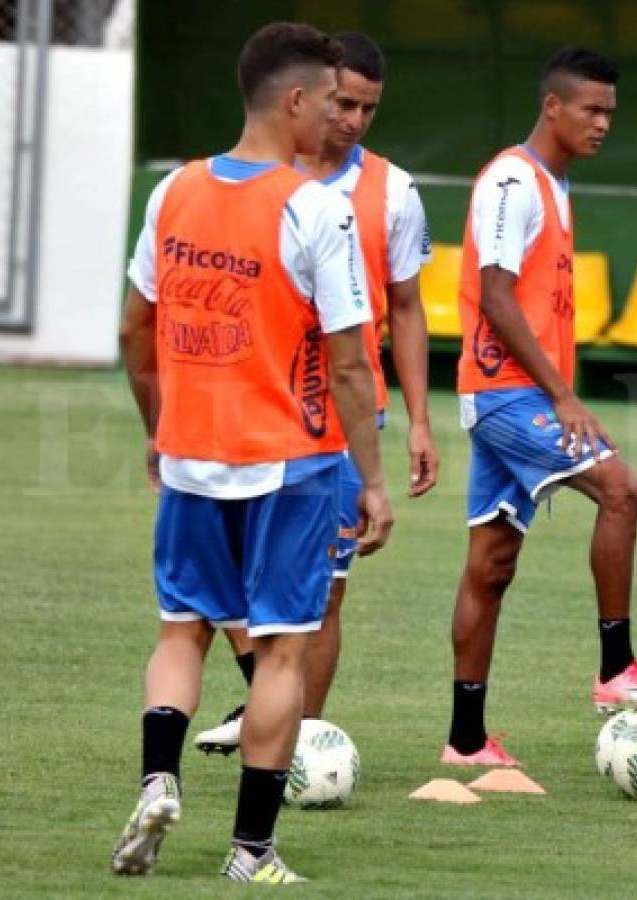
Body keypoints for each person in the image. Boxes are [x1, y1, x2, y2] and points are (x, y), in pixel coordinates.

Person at [111, 22, 392, 881]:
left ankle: (162, 777)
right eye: (331, 100)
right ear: (296, 100)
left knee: (181, 630)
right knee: (280, 650)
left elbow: (134, 328)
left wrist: (161, 426)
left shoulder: (173, 191)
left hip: (191, 452)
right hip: (291, 462)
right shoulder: (315, 207)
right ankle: (251, 853)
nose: (338, 119)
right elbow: (349, 361)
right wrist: (371, 482)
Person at [193, 30, 437, 756]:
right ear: (313, 95)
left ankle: (295, 749)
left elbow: (407, 309)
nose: (355, 120)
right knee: (217, 577)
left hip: (338, 418)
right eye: (345, 103)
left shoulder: (392, 191)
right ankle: (265, 705)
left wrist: (420, 420)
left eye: (369, 108)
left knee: (320, 593)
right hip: (245, 405)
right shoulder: (246, 177)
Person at [441, 46, 637, 769]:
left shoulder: (552, 184)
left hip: (502, 393)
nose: (603, 123)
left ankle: (465, 740)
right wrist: (563, 395)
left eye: (610, 111)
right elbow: (494, 293)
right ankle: (616, 666)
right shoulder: (514, 180)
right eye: (591, 109)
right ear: (552, 106)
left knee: (491, 564)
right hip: (509, 393)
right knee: (622, 489)